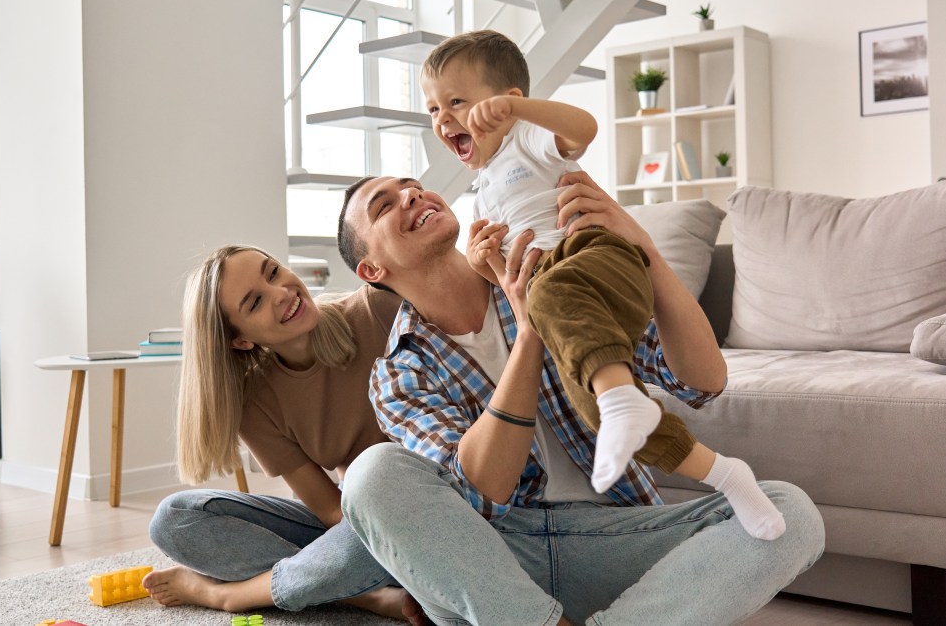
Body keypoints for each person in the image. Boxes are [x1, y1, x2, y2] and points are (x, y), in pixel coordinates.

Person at [335, 172, 825, 625]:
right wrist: (528, 331)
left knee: (792, 513)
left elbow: (703, 380)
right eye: (384, 205)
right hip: (499, 562)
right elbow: (485, 491)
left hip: (617, 540)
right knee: (372, 475)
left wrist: (644, 248)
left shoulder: (553, 275)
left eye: (413, 186)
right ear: (371, 269)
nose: (411, 196)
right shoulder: (398, 374)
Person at [419, 29, 783, 540]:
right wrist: (493, 269)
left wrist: (517, 111)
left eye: (456, 101)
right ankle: (726, 475)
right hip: (553, 292)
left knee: (552, 295)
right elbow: (521, 290)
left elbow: (583, 127)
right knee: (598, 409)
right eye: (432, 109)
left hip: (597, 256)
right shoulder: (480, 197)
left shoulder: (527, 138)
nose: (443, 118)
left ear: (508, 102)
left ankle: (621, 404)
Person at [139, 245, 423, 623]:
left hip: (435, 505)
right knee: (174, 520)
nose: (282, 293)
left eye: (272, 272)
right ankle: (365, 596)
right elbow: (331, 511)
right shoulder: (255, 402)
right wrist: (354, 548)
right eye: (255, 302)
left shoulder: (378, 308)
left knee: (378, 540)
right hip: (362, 522)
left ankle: (226, 596)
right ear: (240, 340)